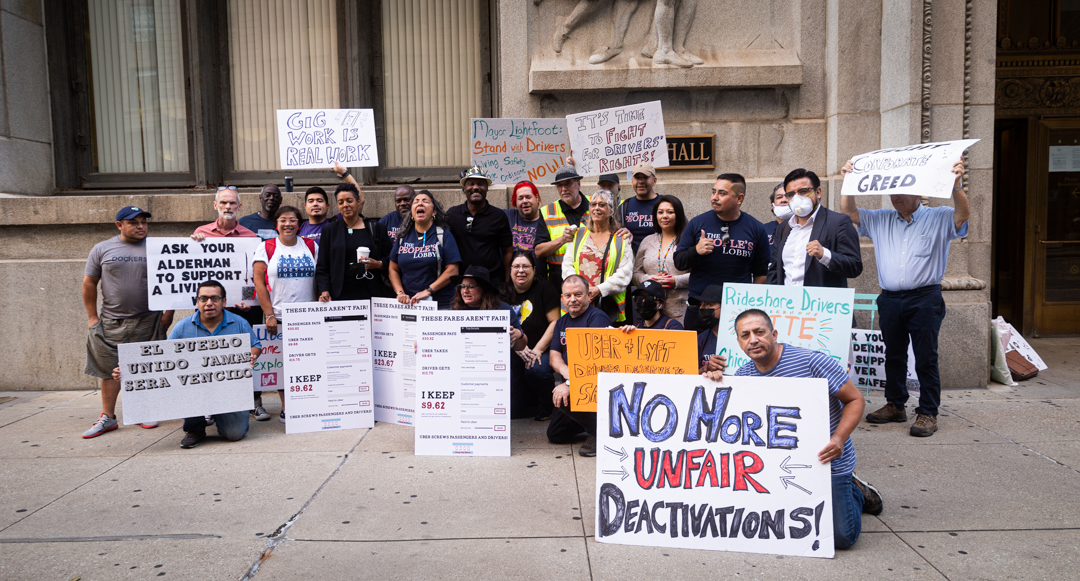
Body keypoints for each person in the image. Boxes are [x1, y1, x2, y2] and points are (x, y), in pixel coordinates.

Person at [728, 308, 883, 549]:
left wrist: (839, 439)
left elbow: (855, 400)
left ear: (774, 333)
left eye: (759, 332)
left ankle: (856, 490)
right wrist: (711, 380)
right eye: (745, 335)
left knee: (842, 537)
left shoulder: (812, 362)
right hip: (779, 465)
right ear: (739, 342)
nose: (753, 339)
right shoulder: (743, 375)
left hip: (828, 460)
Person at [839, 158, 969, 437]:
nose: (895, 197)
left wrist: (956, 185)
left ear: (919, 192)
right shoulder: (881, 218)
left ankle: (927, 412)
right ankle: (896, 404)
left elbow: (962, 216)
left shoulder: (939, 216)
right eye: (892, 192)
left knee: (925, 356)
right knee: (894, 355)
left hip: (925, 298)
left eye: (902, 191)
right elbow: (848, 213)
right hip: (890, 299)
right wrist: (848, 181)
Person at [81, 206, 172, 437]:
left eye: (144, 222)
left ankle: (143, 411)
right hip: (111, 321)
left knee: (146, 368)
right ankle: (107, 417)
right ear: (119, 225)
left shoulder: (158, 247)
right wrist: (92, 318)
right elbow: (89, 282)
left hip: (148, 320)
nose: (141, 226)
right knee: (110, 371)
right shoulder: (102, 249)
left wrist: (168, 313)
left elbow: (175, 277)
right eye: (134, 222)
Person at [170, 281, 262, 449]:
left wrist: (252, 355)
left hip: (230, 390)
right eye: (203, 298)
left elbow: (256, 345)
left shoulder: (240, 323)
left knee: (234, 434)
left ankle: (220, 415)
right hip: (196, 389)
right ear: (197, 302)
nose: (209, 303)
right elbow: (164, 357)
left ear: (224, 302)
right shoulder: (182, 327)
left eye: (215, 298)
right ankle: (195, 428)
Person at [674, 173, 770, 331]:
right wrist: (696, 251)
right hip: (701, 308)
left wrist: (753, 306)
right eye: (713, 192)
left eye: (722, 193)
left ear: (739, 199)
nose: (714, 197)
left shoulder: (756, 229)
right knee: (698, 355)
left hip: (737, 308)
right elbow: (679, 261)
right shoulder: (697, 223)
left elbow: (761, 273)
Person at [254, 206, 319, 423]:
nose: (288, 224)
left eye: (292, 220)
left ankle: (308, 402)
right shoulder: (267, 247)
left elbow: (321, 275)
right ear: (276, 225)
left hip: (309, 316)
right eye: (283, 220)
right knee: (283, 364)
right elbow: (259, 282)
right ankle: (286, 406)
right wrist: (269, 314)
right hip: (280, 317)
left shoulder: (310, 245)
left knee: (308, 363)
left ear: (299, 224)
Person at [547, 275, 612, 457]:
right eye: (568, 295)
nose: (572, 299)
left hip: (595, 386)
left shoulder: (597, 318)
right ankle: (591, 423)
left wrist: (571, 383)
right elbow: (554, 355)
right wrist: (566, 372)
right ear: (562, 298)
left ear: (588, 296)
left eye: (578, 294)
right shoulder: (562, 321)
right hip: (573, 382)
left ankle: (600, 432)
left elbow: (594, 362)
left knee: (565, 395)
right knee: (556, 434)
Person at [451, 266, 529, 416]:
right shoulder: (455, 311)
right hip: (464, 371)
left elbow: (521, 345)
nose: (465, 291)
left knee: (510, 412)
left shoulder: (503, 310)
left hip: (495, 372)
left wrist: (518, 334)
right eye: (462, 286)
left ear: (484, 289)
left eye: (471, 286)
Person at [768, 168, 863, 287]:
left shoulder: (838, 222)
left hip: (819, 303)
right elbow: (775, 270)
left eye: (803, 191)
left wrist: (825, 255)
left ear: (818, 192)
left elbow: (854, 267)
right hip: (787, 303)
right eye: (791, 194)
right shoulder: (784, 228)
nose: (797, 198)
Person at [504, 250, 562, 421]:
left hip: (540, 349)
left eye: (525, 266)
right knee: (513, 411)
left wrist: (537, 349)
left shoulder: (545, 288)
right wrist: (517, 347)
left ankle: (546, 405)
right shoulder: (502, 291)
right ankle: (530, 400)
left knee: (537, 369)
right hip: (514, 350)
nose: (520, 270)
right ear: (510, 270)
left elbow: (555, 322)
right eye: (516, 266)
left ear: (534, 269)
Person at [562, 190, 633, 324]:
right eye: (593, 204)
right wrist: (580, 291)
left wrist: (599, 290)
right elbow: (567, 266)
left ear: (611, 211)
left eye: (602, 205)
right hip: (576, 307)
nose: (596, 208)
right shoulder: (577, 235)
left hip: (607, 308)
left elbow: (625, 273)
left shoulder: (621, 239)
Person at [315, 183, 393, 302]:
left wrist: (378, 264)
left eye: (349, 200)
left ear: (358, 201)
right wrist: (324, 290)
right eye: (341, 202)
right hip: (339, 296)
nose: (345, 205)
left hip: (371, 294)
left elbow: (391, 259)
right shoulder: (330, 230)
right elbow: (322, 267)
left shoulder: (376, 228)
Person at [389, 190, 462, 309]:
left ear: (434, 212)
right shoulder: (402, 238)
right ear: (412, 213)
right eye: (416, 202)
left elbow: (453, 270)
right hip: (409, 305)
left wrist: (429, 291)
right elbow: (393, 269)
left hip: (440, 304)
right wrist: (400, 293)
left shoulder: (444, 236)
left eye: (425, 201)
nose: (420, 204)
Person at [446, 166, 513, 282]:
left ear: (487, 188)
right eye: (471, 183)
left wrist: (507, 281)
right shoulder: (452, 214)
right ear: (464, 189)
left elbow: (507, 251)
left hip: (492, 281)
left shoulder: (498, 216)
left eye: (481, 184)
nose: (475, 187)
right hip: (461, 282)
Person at [632, 194, 689, 323]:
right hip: (650, 310)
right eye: (660, 212)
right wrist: (650, 280)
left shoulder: (688, 241)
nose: (664, 216)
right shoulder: (648, 241)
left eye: (670, 212)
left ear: (678, 215)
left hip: (679, 310)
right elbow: (636, 273)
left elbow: (699, 274)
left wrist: (676, 281)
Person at [535, 165, 590, 287]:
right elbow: (538, 251)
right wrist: (562, 240)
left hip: (591, 273)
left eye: (568, 183)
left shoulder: (596, 205)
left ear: (579, 184)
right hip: (558, 279)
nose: (564, 189)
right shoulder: (547, 212)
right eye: (559, 185)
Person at [618, 162, 661, 254]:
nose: (641, 181)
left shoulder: (666, 205)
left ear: (654, 181)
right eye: (637, 178)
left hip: (658, 262)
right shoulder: (624, 207)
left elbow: (682, 232)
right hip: (630, 262)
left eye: (645, 177)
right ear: (632, 181)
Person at [191, 186, 257, 240]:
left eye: (232, 203)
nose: (228, 207)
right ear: (215, 205)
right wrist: (195, 243)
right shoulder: (201, 232)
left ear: (239, 206)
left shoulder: (250, 237)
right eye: (223, 203)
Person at [694, 285, 730, 381]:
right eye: (701, 304)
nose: (702, 308)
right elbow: (689, 375)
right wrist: (706, 368)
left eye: (709, 304)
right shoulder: (700, 339)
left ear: (724, 307)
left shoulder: (741, 338)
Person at [617, 280, 683, 332]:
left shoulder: (673, 327)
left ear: (661, 304)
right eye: (638, 298)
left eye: (649, 299)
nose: (643, 302)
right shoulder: (635, 328)